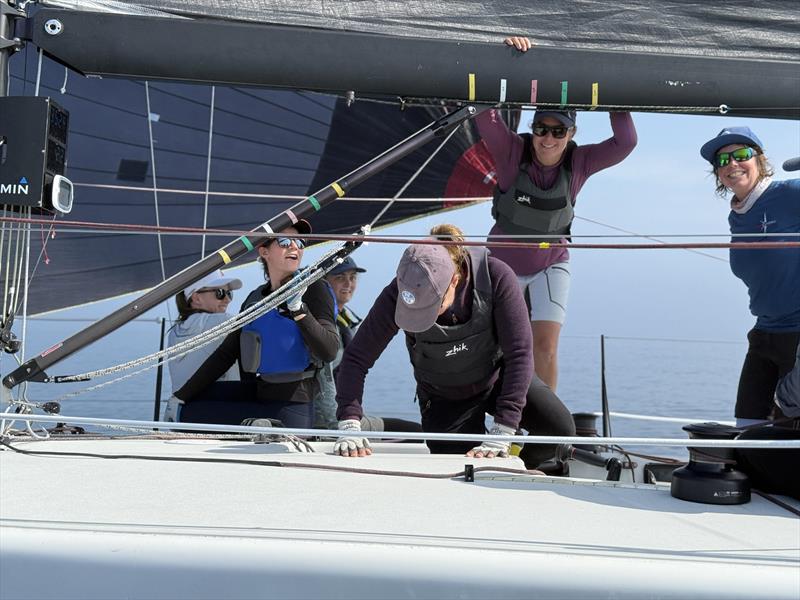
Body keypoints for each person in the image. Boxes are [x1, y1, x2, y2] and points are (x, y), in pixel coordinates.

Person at [332, 224, 576, 469]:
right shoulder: (398, 292)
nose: (424, 316)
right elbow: (356, 358)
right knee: (458, 469)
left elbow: (520, 354)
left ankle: (523, 468)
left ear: (455, 281)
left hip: (496, 380)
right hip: (443, 395)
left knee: (559, 428)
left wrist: (504, 428)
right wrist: (349, 420)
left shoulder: (496, 276)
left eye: (431, 307)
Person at [476, 36, 637, 391]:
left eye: (558, 131)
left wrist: (611, 78)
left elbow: (625, 142)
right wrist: (505, 58)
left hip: (552, 262)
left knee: (544, 348)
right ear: (532, 130)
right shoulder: (511, 151)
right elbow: (482, 112)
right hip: (502, 267)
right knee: (498, 348)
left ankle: (543, 428)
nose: (548, 139)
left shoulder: (580, 161)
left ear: (572, 133)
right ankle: (498, 419)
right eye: (541, 129)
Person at [699, 126, 800, 499]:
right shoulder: (738, 215)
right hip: (763, 333)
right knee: (746, 429)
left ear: (759, 159)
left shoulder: (789, 193)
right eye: (722, 160)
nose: (732, 164)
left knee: (788, 431)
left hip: (798, 336)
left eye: (741, 155)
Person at [173, 220, 339, 428]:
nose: (295, 246)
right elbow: (226, 353)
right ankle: (253, 423)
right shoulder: (255, 298)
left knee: (191, 415)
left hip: (295, 404)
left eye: (300, 242)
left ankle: (259, 426)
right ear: (264, 252)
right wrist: (180, 396)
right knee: (188, 406)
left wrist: (298, 309)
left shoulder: (314, 289)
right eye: (285, 241)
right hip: (260, 394)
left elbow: (330, 350)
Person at [315, 257, 422, 434]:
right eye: (340, 277)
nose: (348, 284)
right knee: (414, 432)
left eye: (353, 277)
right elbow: (324, 379)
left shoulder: (346, 320)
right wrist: (342, 425)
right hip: (330, 420)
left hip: (344, 414)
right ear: (323, 283)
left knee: (415, 431)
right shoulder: (324, 326)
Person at [163, 270, 243, 421]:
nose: (227, 299)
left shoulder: (175, 332)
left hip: (183, 415)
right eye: (220, 293)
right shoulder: (224, 323)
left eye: (229, 293)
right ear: (196, 298)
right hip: (219, 416)